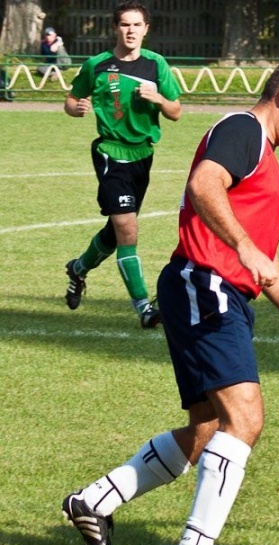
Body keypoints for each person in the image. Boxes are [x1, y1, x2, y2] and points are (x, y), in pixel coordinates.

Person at [61, 58, 279, 545]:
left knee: (208, 428)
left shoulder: (264, 155)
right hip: (206, 283)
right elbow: (204, 185)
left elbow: (263, 258)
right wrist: (241, 245)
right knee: (245, 418)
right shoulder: (243, 129)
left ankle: (95, 501)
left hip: (213, 288)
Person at [63, 1, 182, 328]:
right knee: (128, 229)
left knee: (116, 233)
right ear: (116, 28)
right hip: (110, 153)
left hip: (143, 155)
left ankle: (78, 268)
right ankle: (144, 307)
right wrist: (77, 108)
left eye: (137, 25)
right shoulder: (98, 65)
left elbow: (176, 111)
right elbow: (71, 100)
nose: (131, 31)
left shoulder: (156, 65)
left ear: (146, 29)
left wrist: (158, 99)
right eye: (125, 25)